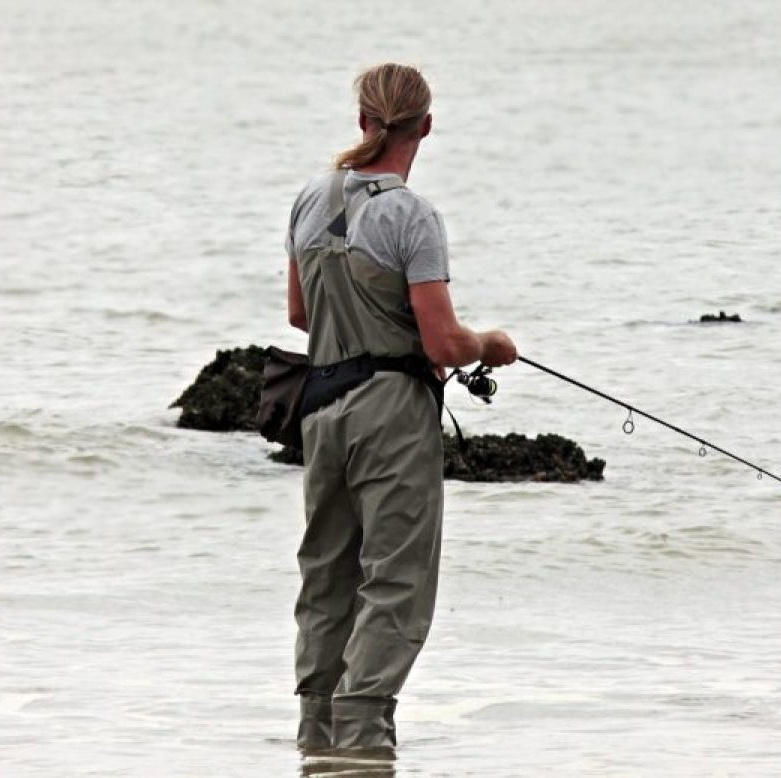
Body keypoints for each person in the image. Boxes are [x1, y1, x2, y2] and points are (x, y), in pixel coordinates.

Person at [284, 63, 518, 753]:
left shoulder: (308, 199)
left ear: (363, 121)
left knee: (326, 575)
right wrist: (493, 345)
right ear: (426, 127)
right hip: (391, 413)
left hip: (320, 408)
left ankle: (316, 736)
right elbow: (444, 341)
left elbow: (300, 315)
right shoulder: (411, 215)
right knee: (396, 580)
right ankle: (361, 735)